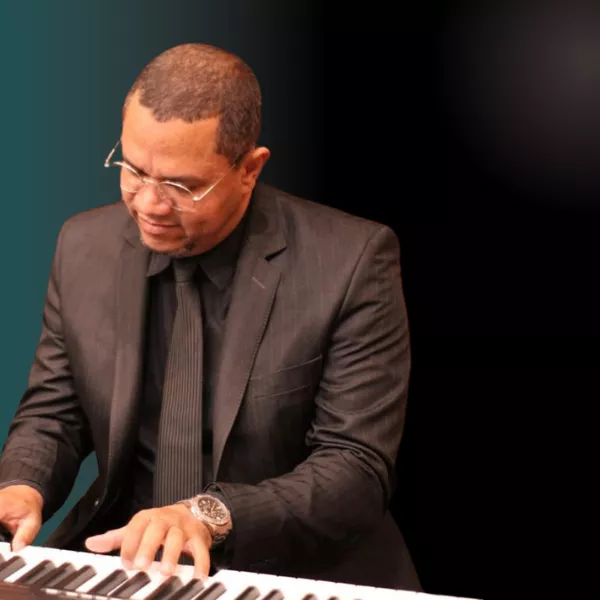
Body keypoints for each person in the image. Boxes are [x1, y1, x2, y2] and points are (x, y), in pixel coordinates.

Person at [0, 43, 420, 591]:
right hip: (122, 559)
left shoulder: (351, 261)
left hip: (290, 571)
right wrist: (22, 484)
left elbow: (355, 469)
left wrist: (205, 516)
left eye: (183, 186)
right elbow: (54, 412)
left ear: (249, 169)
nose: (149, 204)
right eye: (134, 170)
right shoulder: (83, 245)